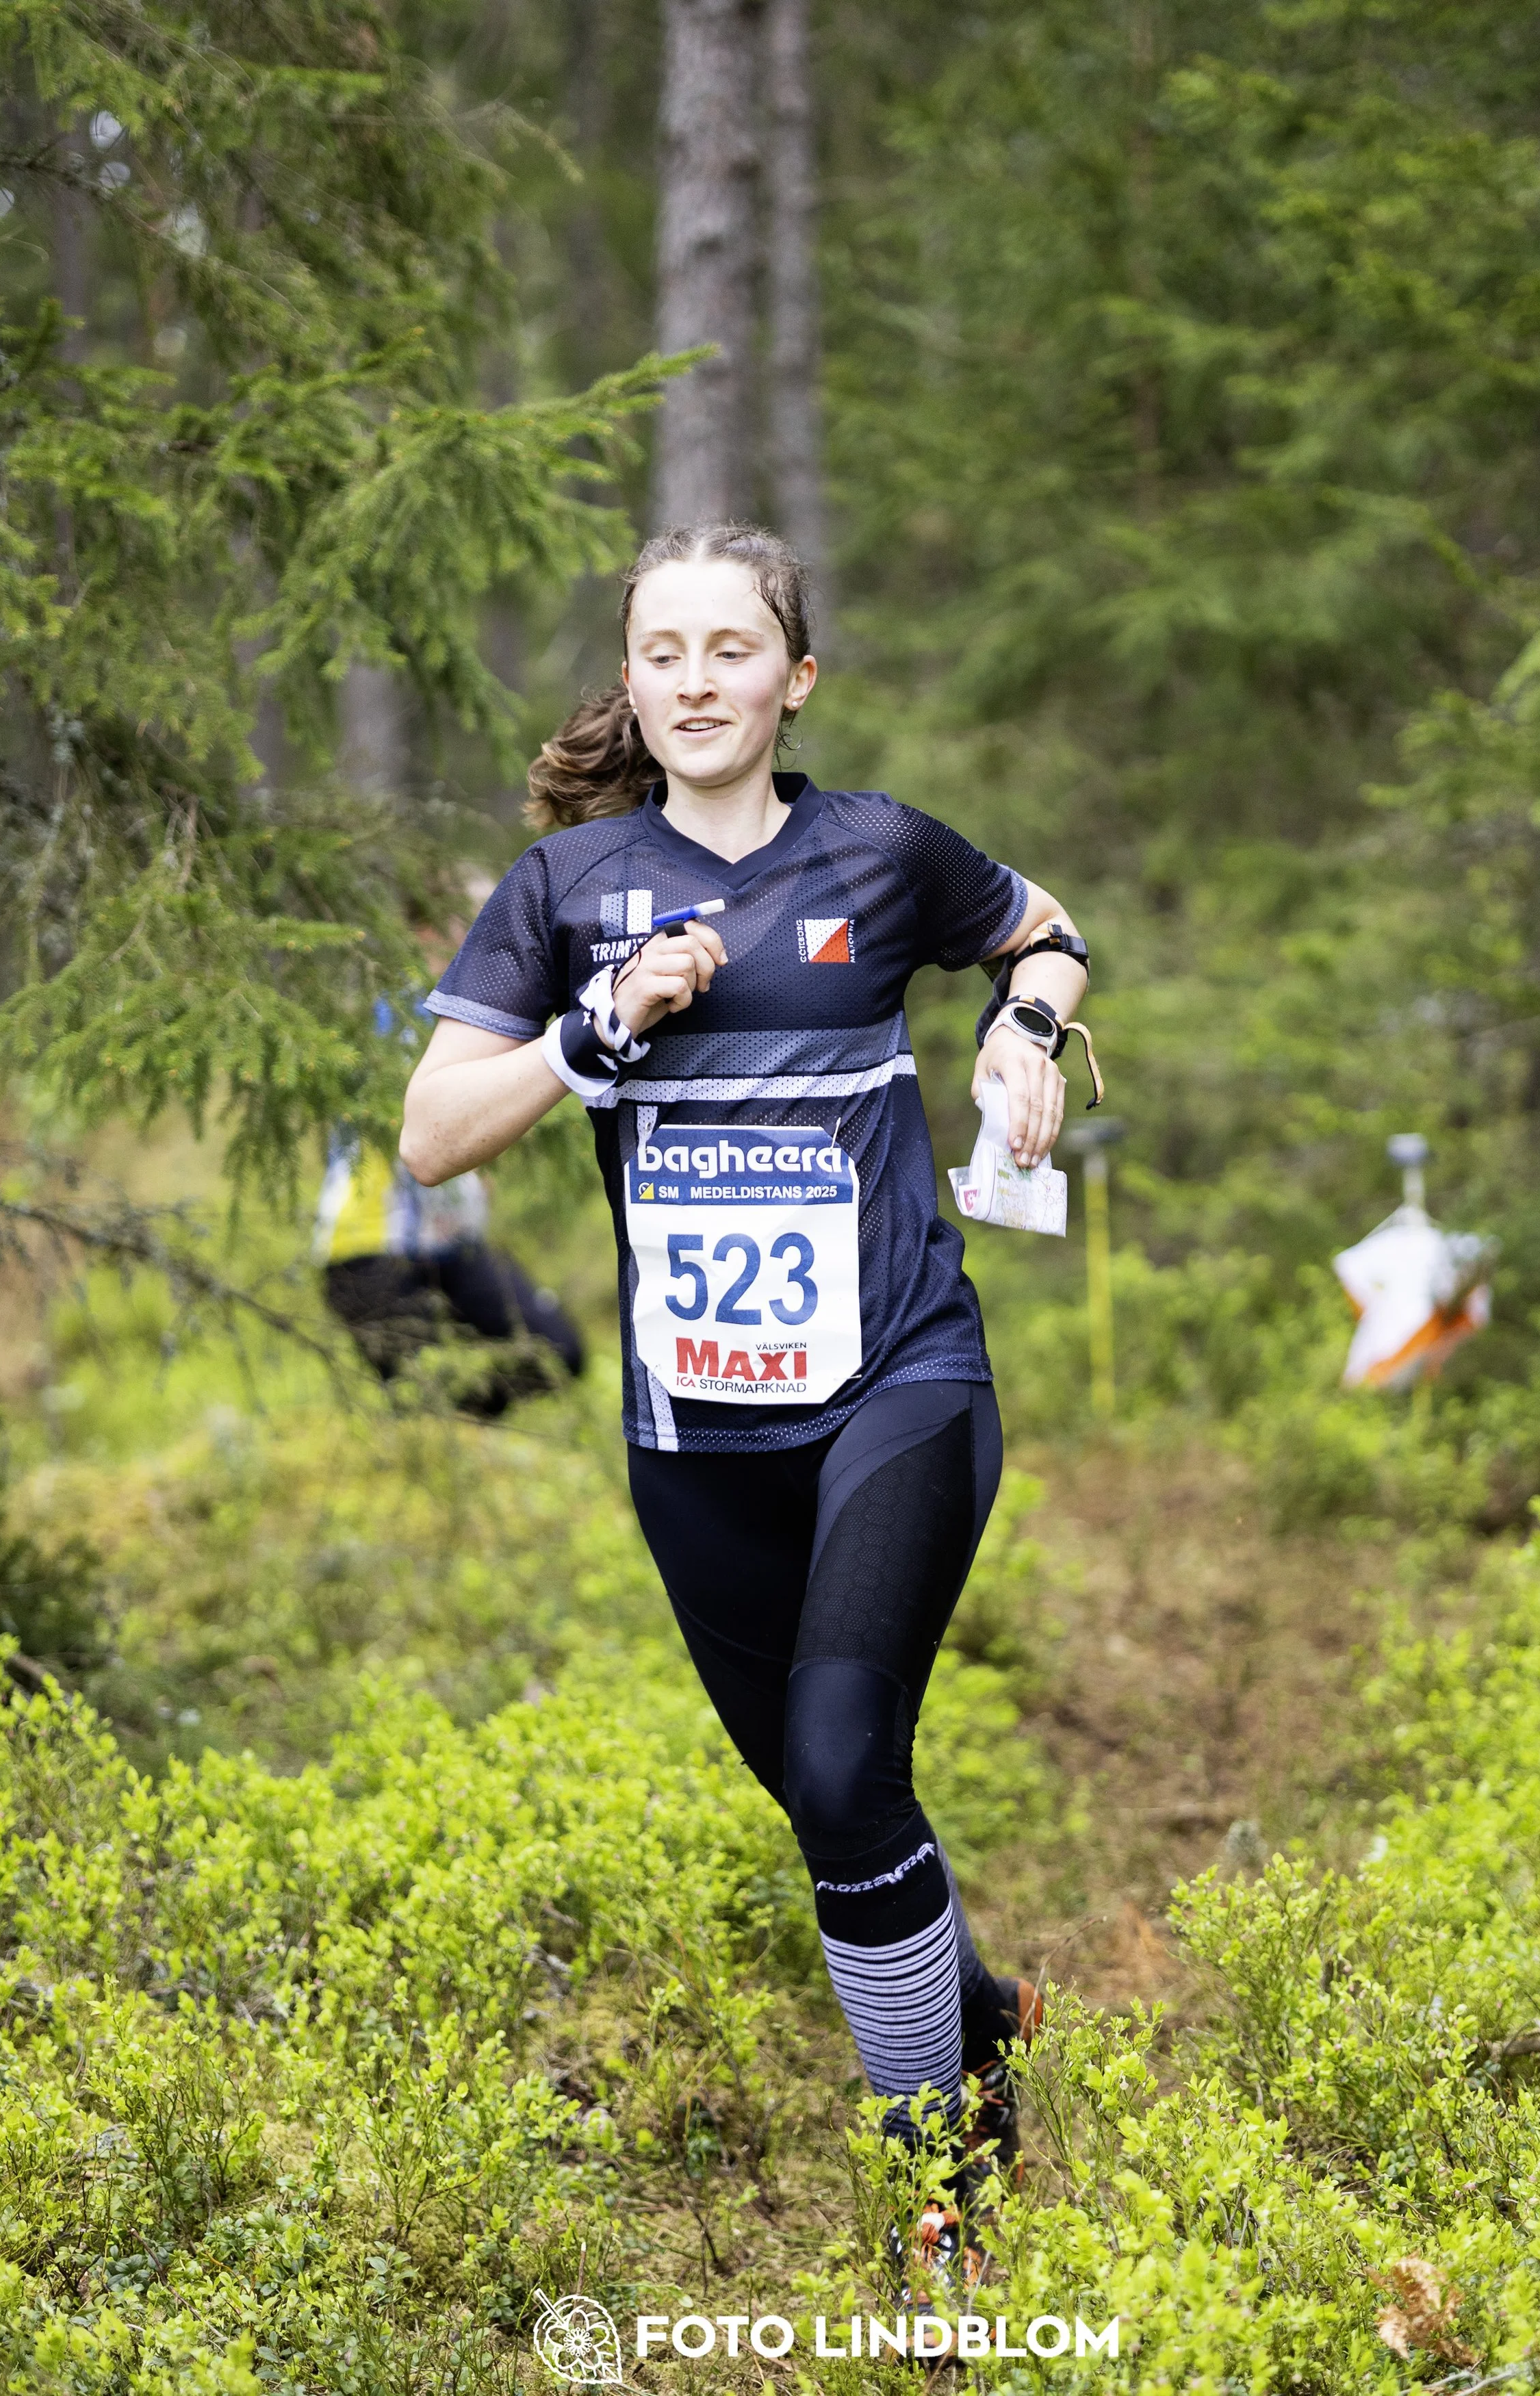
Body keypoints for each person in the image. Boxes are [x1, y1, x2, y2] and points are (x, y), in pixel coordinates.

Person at [399, 522, 1090, 2314]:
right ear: (627, 682)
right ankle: (983, 2011)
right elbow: (430, 1133)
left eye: (730, 648)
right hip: (694, 1434)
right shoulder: (565, 891)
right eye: (662, 652)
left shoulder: (880, 849)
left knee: (851, 1758)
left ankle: (941, 2183)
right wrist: (589, 1035)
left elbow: (1049, 931)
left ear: (794, 678)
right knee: (815, 1794)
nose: (695, 680)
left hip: (900, 1383)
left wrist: (1020, 1025)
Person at [316, 1135, 583, 1415]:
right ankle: (431, 1431)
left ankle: (461, 1421)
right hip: (371, 1249)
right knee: (417, 1386)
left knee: (562, 1348)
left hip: (456, 1248)